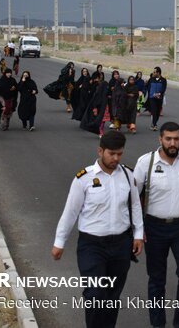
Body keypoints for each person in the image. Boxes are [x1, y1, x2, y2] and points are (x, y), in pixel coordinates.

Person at [51, 131, 143, 328]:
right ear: (100, 151)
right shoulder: (83, 179)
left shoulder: (128, 175)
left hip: (121, 245)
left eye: (120, 154)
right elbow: (70, 212)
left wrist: (138, 235)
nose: (116, 158)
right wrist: (59, 242)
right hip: (92, 246)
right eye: (112, 154)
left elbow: (135, 206)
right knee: (95, 294)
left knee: (111, 296)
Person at [133, 122, 179, 328]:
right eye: (168, 139)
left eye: (176, 139)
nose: (173, 143)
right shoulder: (146, 163)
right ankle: (157, 324)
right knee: (156, 279)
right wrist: (137, 229)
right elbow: (134, 199)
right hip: (154, 228)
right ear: (160, 139)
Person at [80, 74, 110, 138]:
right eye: (106, 87)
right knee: (100, 121)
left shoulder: (106, 94)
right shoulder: (98, 94)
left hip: (106, 109)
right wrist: (95, 108)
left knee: (103, 121)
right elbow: (95, 102)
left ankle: (101, 131)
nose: (107, 88)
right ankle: (100, 132)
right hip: (100, 109)